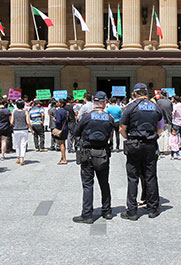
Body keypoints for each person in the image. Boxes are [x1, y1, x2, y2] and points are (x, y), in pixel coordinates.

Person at [120, 83, 164, 220]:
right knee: (150, 176)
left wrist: (130, 138)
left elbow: (122, 128)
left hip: (134, 144)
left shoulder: (130, 107)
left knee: (133, 177)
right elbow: (160, 128)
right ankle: (153, 208)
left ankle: (132, 211)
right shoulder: (156, 107)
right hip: (150, 145)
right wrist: (154, 137)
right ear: (146, 93)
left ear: (134, 94)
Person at [72, 91, 114, 224]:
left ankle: (87, 214)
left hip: (87, 152)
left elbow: (76, 131)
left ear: (94, 102)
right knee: (104, 183)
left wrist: (80, 142)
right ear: (105, 102)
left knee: (87, 184)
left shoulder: (87, 116)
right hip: (102, 153)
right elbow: (110, 134)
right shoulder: (109, 118)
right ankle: (106, 211)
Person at [10, 99, 31, 165]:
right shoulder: (25, 111)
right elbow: (28, 122)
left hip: (16, 129)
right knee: (23, 144)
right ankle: (22, 159)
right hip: (24, 129)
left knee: (17, 144)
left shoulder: (14, 111)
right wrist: (31, 129)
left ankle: (18, 158)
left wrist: (15, 125)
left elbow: (11, 121)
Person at [156, 90, 173, 156]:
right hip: (168, 120)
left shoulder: (158, 102)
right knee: (167, 135)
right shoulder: (170, 102)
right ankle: (166, 149)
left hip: (160, 120)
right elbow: (171, 110)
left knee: (160, 134)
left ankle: (160, 149)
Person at [54, 99, 69, 165]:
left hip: (60, 129)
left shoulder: (59, 111)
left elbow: (58, 121)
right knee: (63, 143)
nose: (57, 103)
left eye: (58, 102)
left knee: (61, 143)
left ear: (61, 104)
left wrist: (54, 119)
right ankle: (63, 157)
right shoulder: (66, 111)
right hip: (65, 128)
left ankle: (64, 159)